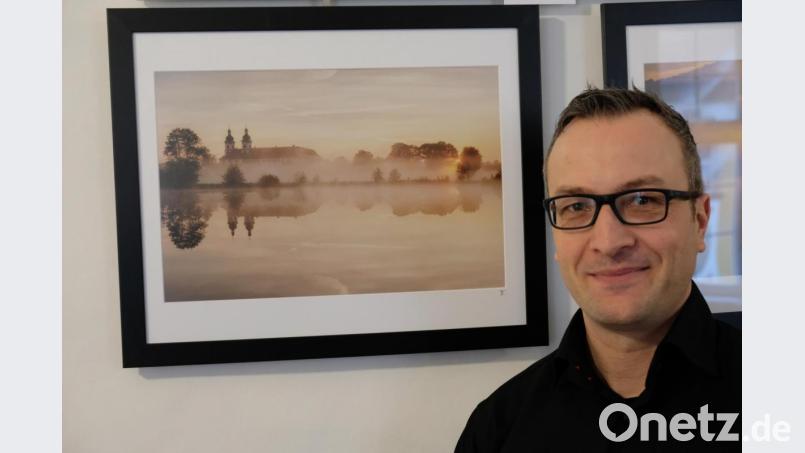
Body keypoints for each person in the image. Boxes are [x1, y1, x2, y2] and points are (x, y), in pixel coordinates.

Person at [455, 88, 740, 452]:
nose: (608, 241)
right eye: (575, 206)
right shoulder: (500, 427)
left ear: (699, 221)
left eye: (642, 200)